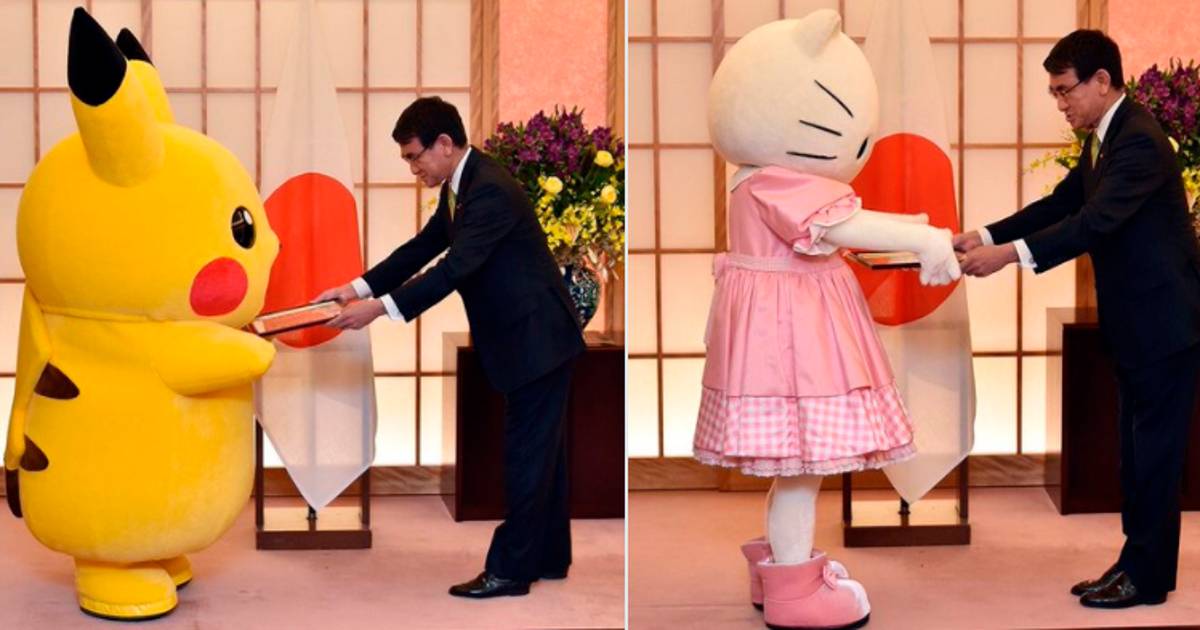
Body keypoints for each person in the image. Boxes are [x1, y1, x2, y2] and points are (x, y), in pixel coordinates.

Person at [957, 29, 1200, 609]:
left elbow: (1092, 224)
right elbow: (1060, 205)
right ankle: (1136, 565)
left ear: (1101, 81)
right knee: (1135, 455)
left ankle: (1146, 578)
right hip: (1138, 324)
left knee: (1154, 458)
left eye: (1065, 90)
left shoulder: (1138, 140)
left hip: (1166, 326)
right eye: (1054, 93)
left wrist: (1007, 257)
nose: (1060, 103)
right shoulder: (1104, 138)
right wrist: (985, 234)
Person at [315, 96, 586, 598]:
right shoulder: (463, 185)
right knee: (542, 454)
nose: (413, 168)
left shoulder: (489, 190)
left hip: (537, 338)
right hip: (529, 337)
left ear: (444, 143)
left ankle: (510, 571)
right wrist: (355, 288)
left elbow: (455, 268)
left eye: (414, 157)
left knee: (527, 457)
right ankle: (547, 557)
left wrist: (378, 310)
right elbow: (422, 248)